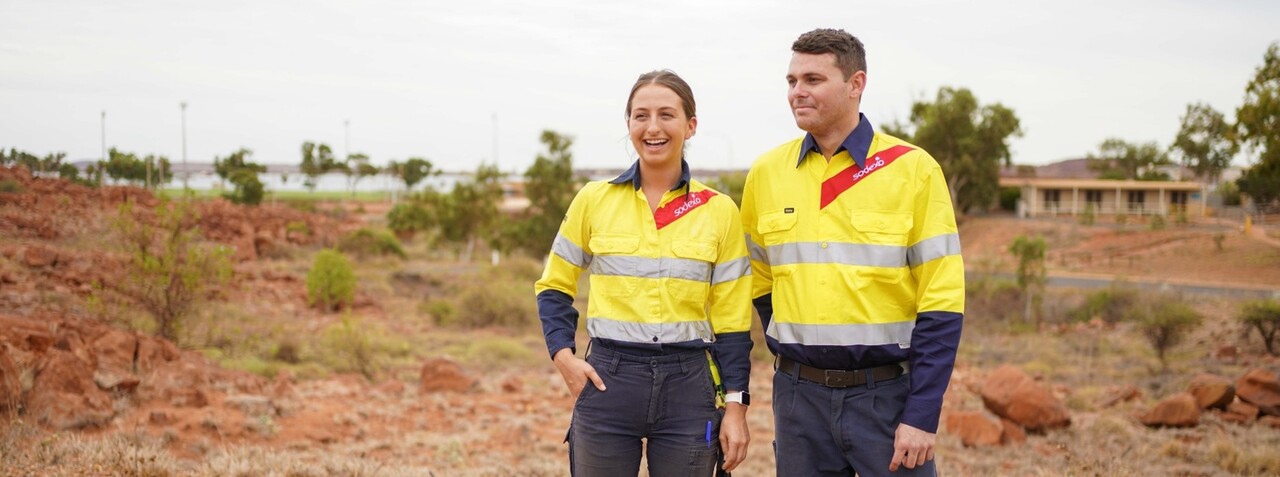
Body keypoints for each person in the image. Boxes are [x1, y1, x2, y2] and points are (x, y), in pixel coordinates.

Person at [740, 28, 965, 476]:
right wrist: (802, 350)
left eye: (813, 80)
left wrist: (921, 415)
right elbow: (761, 283)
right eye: (791, 81)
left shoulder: (913, 169)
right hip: (798, 401)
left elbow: (942, 303)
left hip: (887, 398)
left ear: (856, 84)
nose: (797, 93)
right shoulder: (766, 173)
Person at [534, 70, 753, 476]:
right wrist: (563, 356)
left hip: (690, 387)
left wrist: (737, 406)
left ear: (690, 126)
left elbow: (733, 323)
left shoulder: (719, 209)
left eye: (666, 115)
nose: (653, 127)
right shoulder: (593, 200)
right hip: (608, 381)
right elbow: (553, 286)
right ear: (629, 124)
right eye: (641, 116)